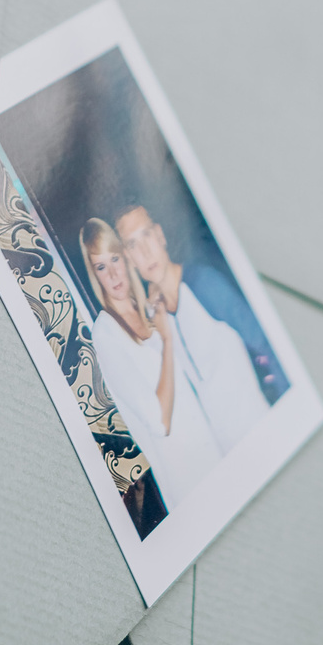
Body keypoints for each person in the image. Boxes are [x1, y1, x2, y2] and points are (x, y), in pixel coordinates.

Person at [80, 219, 220, 508]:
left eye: (115, 258)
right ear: (94, 275)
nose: (114, 273)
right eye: (102, 267)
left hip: (213, 451)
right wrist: (167, 341)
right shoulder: (105, 334)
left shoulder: (145, 308)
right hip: (187, 481)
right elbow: (159, 422)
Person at [114, 206, 274, 453]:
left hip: (264, 435)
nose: (145, 251)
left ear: (160, 235)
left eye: (147, 235)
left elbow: (266, 346)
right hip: (227, 458)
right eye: (134, 244)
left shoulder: (204, 284)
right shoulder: (156, 320)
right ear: (129, 258)